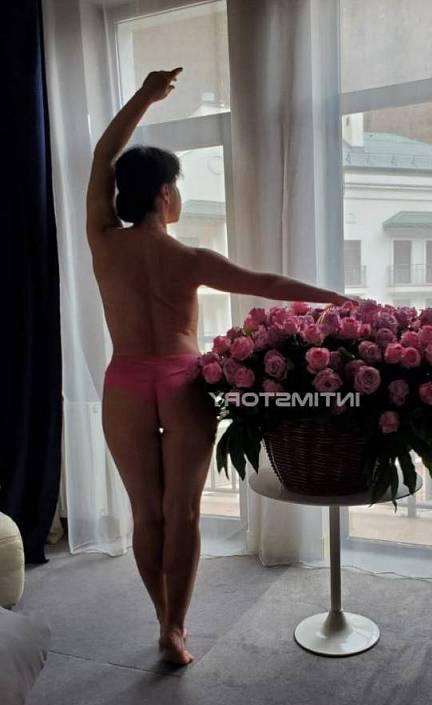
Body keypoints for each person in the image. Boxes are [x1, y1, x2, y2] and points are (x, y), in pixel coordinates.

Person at [85, 67, 351, 666]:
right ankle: (176, 630)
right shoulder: (190, 257)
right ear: (165, 194)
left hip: (126, 381)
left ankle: (161, 617)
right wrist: (338, 300)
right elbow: (268, 282)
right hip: (182, 381)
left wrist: (145, 97)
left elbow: (103, 156)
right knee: (182, 511)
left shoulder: (103, 240)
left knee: (146, 512)